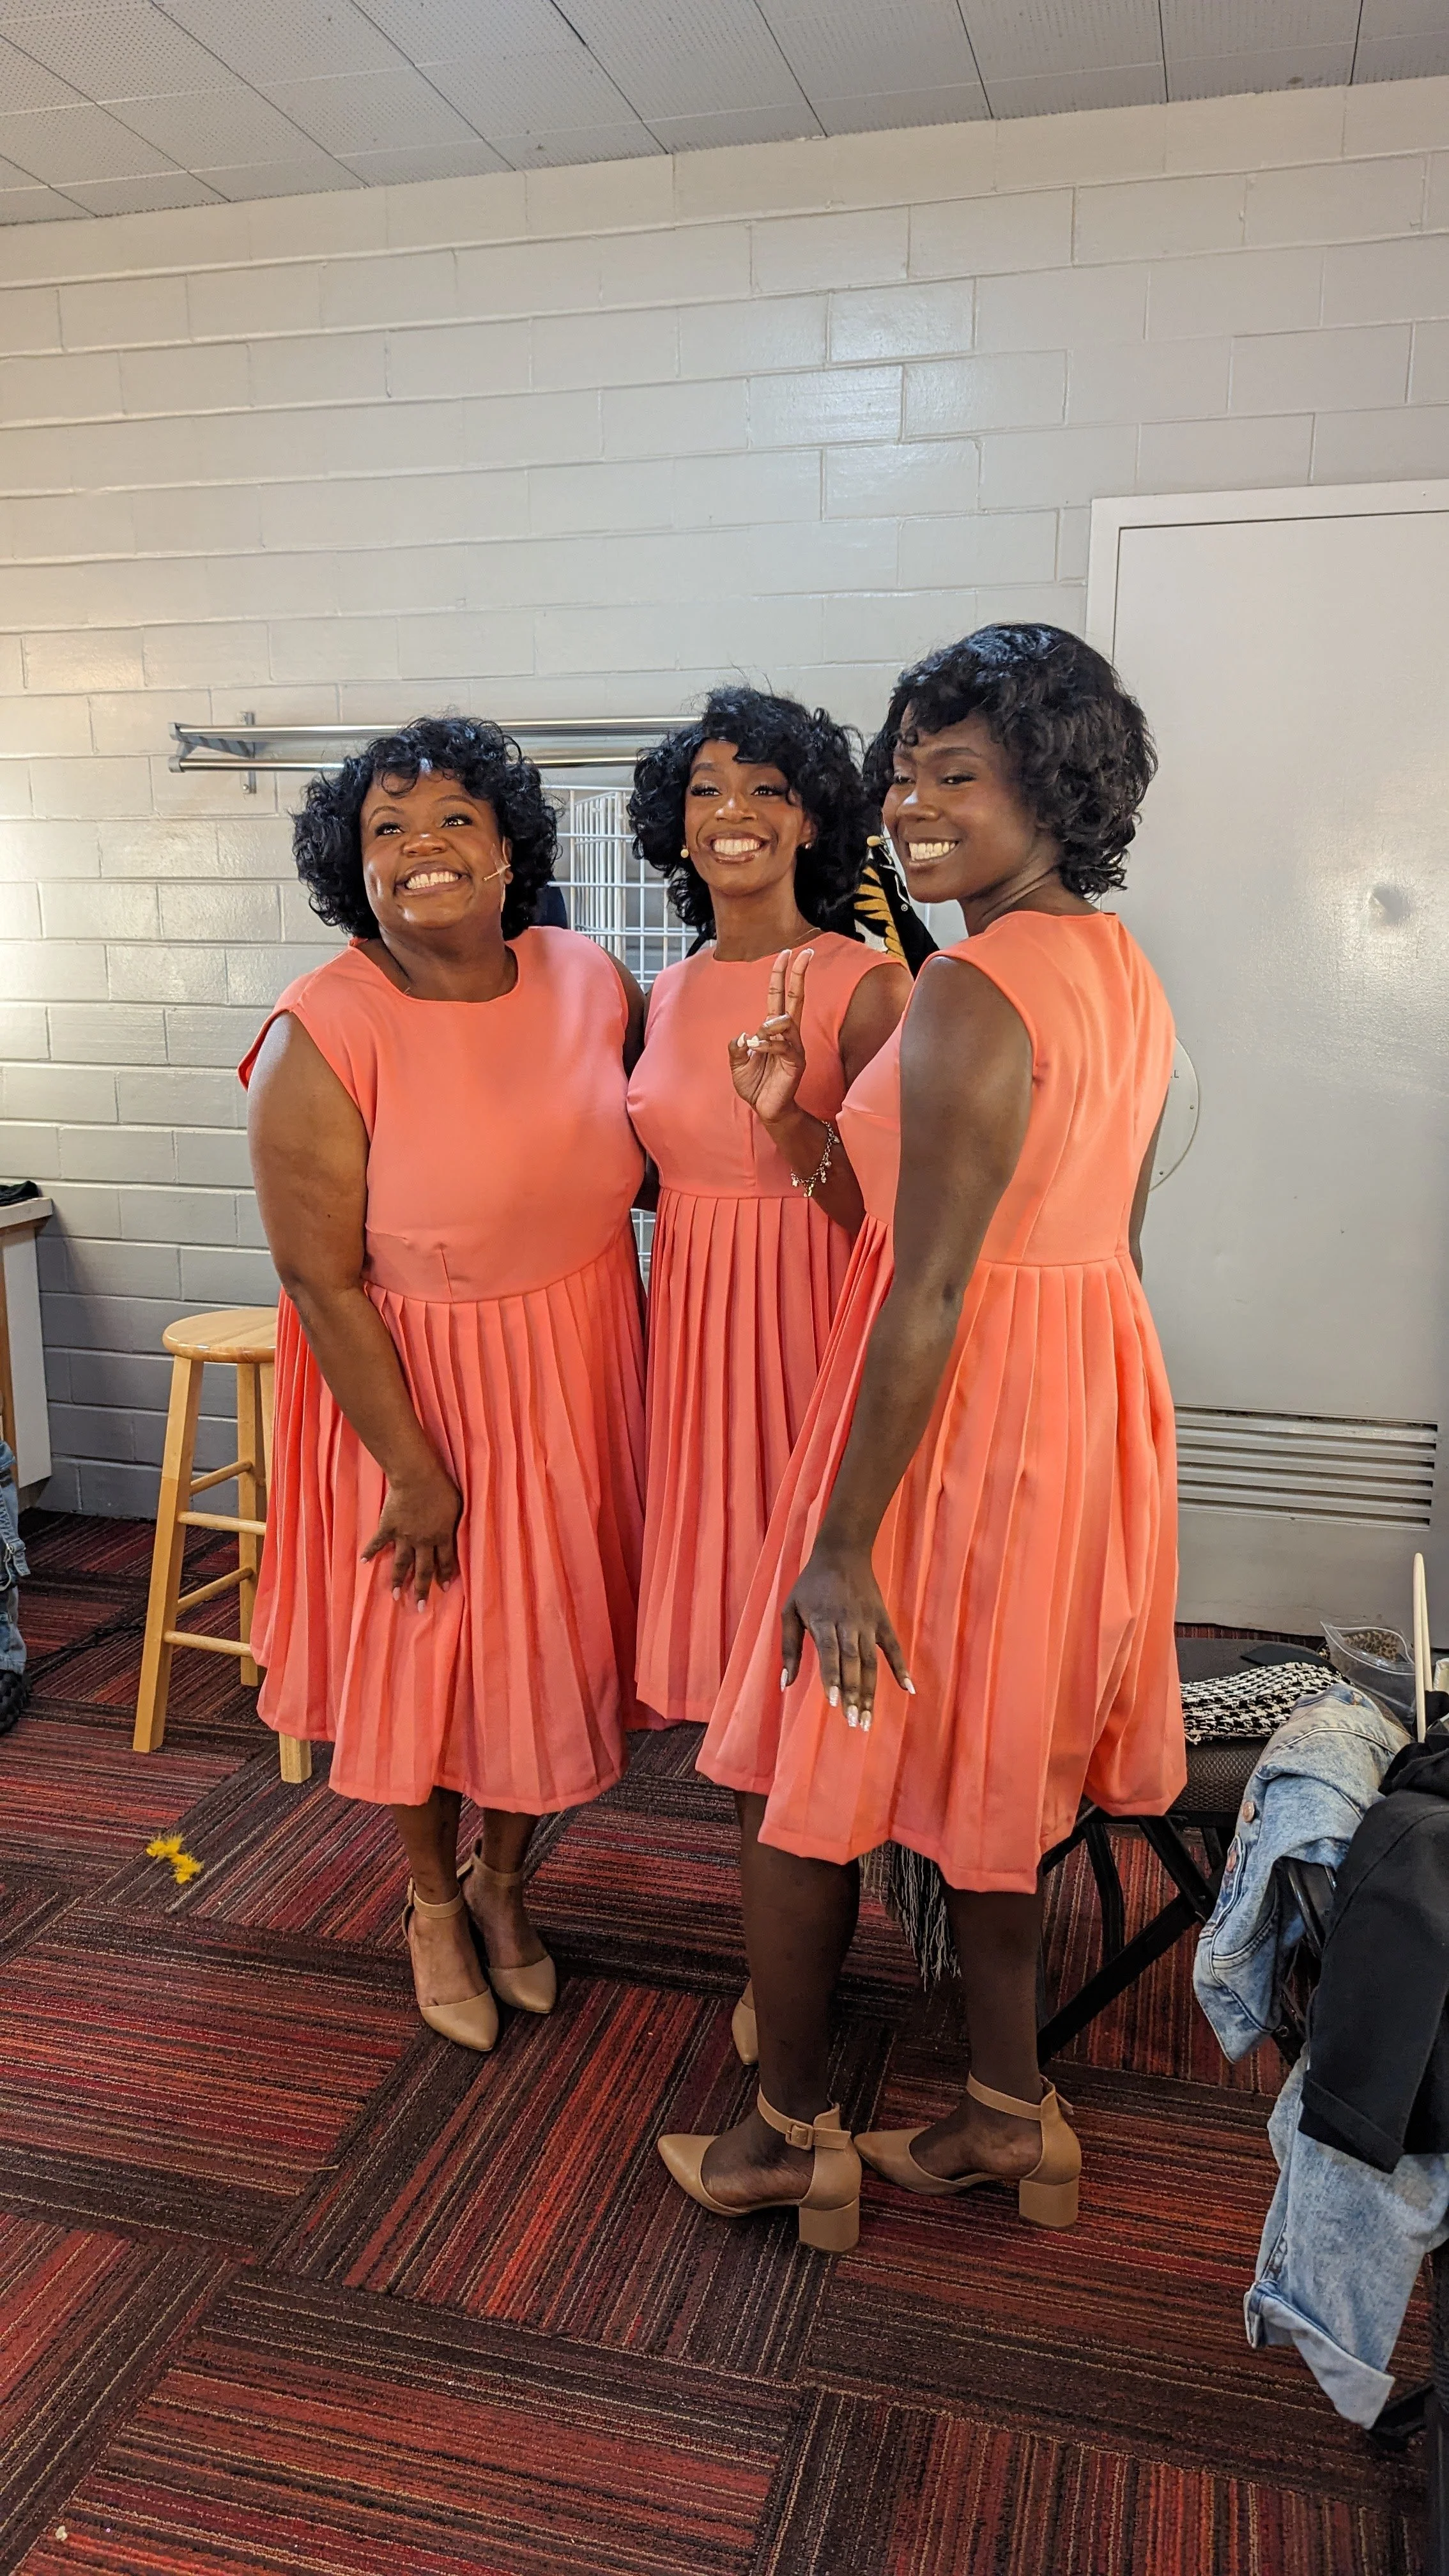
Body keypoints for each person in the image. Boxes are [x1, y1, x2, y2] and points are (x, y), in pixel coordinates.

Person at [659, 626, 1186, 2250]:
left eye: (957, 773)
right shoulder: (1117, 965)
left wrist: (840, 1543)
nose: (911, 806)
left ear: (1054, 784)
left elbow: (934, 1286)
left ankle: (785, 2134)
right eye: (904, 774)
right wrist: (798, 1131)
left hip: (952, 1423)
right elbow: (979, 1228)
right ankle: (1007, 2116)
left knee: (810, 1761)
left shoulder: (969, 984)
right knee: (994, 1772)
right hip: (1074, 1402)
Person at [243, 717, 647, 2055]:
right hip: (412, 1386)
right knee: (431, 1654)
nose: (423, 847)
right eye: (386, 829)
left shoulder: (591, 977)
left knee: (549, 1644)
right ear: (349, 868)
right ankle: (429, 1899)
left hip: (580, 1369)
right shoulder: (324, 1029)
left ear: (509, 846)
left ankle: (507, 1880)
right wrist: (413, 1468)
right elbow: (318, 1280)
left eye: (456, 819)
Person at [627, 689, 910, 1753]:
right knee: (720, 1575)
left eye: (765, 790)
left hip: (811, 1312)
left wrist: (788, 1121)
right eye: (705, 790)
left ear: (811, 821)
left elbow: (891, 1211)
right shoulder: (666, 989)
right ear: (676, 821)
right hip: (694, 1315)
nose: (730, 810)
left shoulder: (869, 986)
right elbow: (664, 1166)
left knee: (804, 1567)